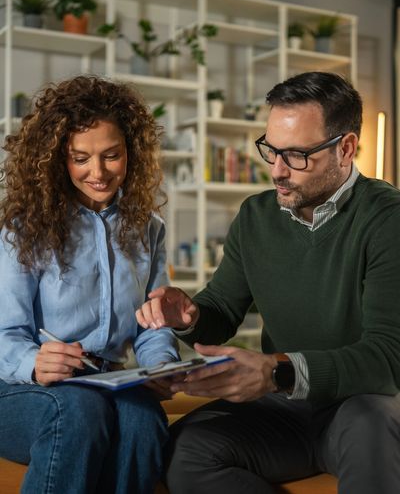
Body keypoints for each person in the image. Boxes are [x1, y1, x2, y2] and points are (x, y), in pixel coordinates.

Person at [136, 71, 400, 494]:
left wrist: (278, 372)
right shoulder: (256, 216)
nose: (277, 170)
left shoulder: (387, 219)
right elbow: (220, 311)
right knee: (182, 451)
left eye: (296, 155)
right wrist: (188, 315)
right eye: (271, 150)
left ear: (346, 148)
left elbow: (388, 359)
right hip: (285, 409)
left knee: (373, 428)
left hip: (362, 405)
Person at [0, 75, 179, 494]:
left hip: (108, 383)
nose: (96, 172)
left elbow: (152, 323)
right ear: (57, 159)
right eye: (80, 158)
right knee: (79, 408)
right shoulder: (23, 231)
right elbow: (4, 334)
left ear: (130, 153)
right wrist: (32, 362)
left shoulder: (148, 228)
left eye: (111, 155)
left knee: (142, 417)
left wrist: (161, 365)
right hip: (22, 391)